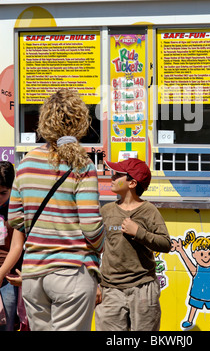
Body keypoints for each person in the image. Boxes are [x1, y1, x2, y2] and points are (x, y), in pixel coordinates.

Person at [8, 89, 105, 331]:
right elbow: (91, 227)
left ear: (44, 122)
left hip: (33, 276)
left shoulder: (26, 162)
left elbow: (14, 219)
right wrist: (101, 245)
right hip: (71, 273)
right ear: (82, 122)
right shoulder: (82, 164)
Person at [95, 157, 171, 332]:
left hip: (143, 289)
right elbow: (91, 247)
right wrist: (95, 283)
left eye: (118, 175)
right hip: (110, 290)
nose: (112, 178)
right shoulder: (106, 211)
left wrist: (139, 233)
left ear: (132, 183)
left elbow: (166, 243)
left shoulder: (149, 210)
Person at [0, 161, 23, 331]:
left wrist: (1, 273)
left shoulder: (16, 211)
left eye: (3, 193)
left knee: (7, 323)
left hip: (9, 276)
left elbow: (17, 246)